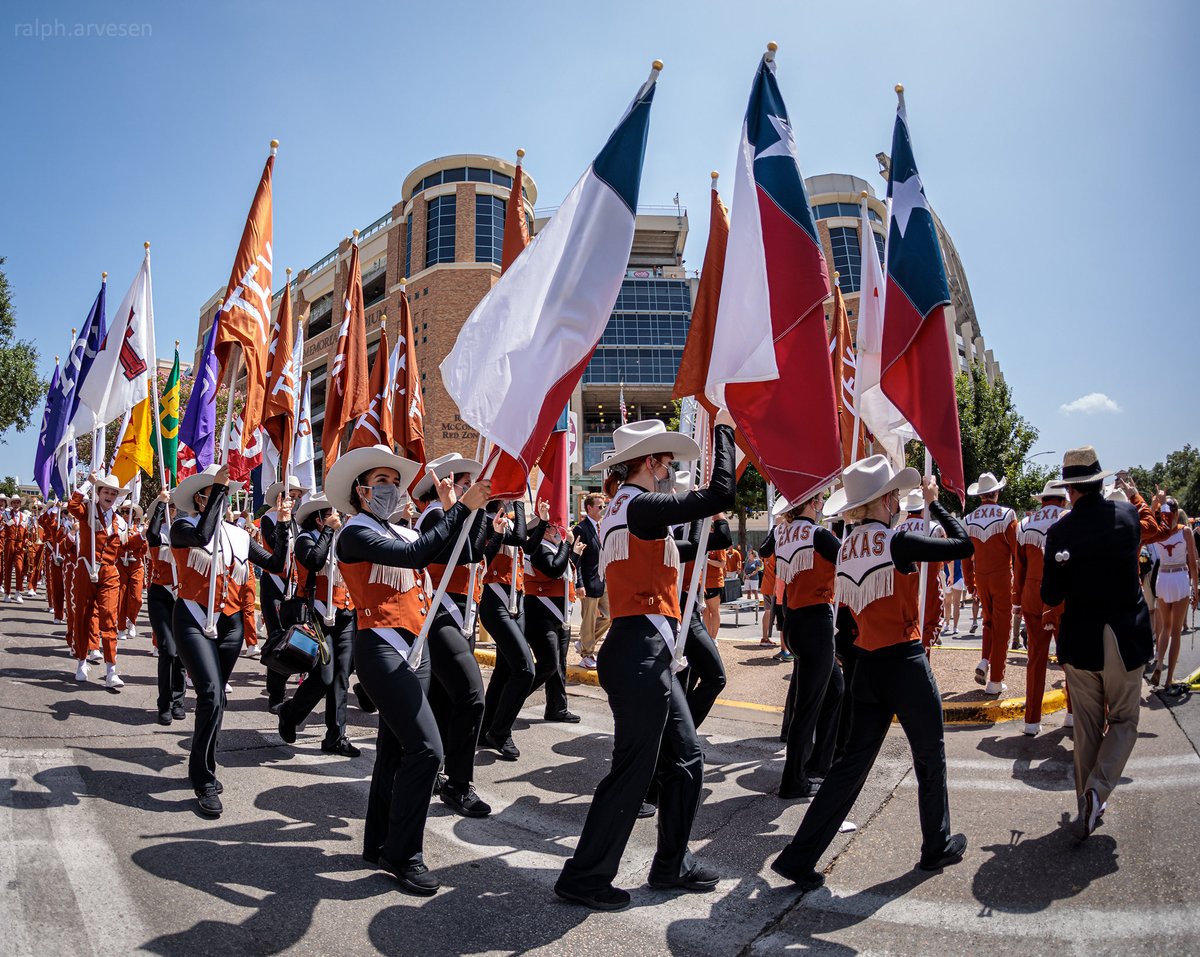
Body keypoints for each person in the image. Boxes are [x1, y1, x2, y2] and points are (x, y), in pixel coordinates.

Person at [555, 412, 736, 912]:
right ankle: (584, 876)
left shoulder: (626, 509)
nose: (671, 470)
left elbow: (680, 544)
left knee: (686, 760)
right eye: (668, 462)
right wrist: (724, 431)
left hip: (646, 649)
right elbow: (719, 493)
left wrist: (705, 538)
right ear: (650, 463)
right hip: (639, 651)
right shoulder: (638, 505)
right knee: (632, 774)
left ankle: (670, 864)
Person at [771, 456, 974, 890]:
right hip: (904, 663)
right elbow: (962, 545)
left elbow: (844, 624)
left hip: (866, 667)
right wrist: (935, 506)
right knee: (929, 753)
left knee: (848, 768)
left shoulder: (843, 549)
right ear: (884, 500)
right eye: (894, 494)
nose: (899, 499)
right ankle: (934, 843)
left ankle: (798, 856)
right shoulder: (898, 541)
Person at [328, 443, 491, 896]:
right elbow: (418, 557)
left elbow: (445, 550)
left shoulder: (398, 531)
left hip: (414, 650)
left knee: (395, 752)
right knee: (427, 751)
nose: (392, 488)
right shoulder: (354, 533)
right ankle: (404, 854)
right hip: (380, 648)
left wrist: (454, 510)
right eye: (382, 482)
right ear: (361, 492)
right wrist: (457, 509)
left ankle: (377, 843)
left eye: (395, 481)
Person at [1041, 450, 1172, 837]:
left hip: (1081, 637)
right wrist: (1135, 494)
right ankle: (1097, 792)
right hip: (1124, 633)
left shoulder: (1061, 532)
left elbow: (1050, 595)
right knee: (1125, 720)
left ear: (1071, 489)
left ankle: (1088, 799)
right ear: (1100, 482)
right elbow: (1149, 524)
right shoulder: (1128, 516)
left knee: (1086, 726)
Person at [169, 464, 292, 818]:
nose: (222, 497)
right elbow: (203, 536)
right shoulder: (183, 526)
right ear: (200, 497)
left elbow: (278, 565)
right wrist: (219, 493)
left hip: (230, 624)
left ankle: (203, 759)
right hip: (193, 618)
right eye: (214, 492)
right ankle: (204, 779)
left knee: (218, 697)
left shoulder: (239, 536)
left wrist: (283, 524)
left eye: (222, 491)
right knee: (209, 692)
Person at [412, 452, 493, 816]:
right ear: (444, 484)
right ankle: (459, 784)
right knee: (472, 696)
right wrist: (462, 510)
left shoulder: (450, 514)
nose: (469, 487)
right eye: (464, 482)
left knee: (447, 698)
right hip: (436, 614)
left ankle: (435, 772)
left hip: (454, 613)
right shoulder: (433, 515)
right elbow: (469, 553)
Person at [278, 494, 361, 757]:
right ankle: (290, 713)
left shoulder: (346, 539)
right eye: (331, 515)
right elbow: (313, 561)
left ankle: (336, 736)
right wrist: (327, 532)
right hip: (318, 614)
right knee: (324, 675)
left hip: (346, 614)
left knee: (340, 677)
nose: (339, 518)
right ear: (319, 518)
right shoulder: (306, 539)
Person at [774, 492, 842, 800]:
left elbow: (765, 549)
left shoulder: (784, 534)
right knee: (808, 706)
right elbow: (848, 560)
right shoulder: (819, 535)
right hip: (815, 621)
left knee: (835, 690)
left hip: (793, 620)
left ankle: (819, 763)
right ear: (812, 504)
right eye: (819, 501)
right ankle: (794, 779)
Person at [478, 498, 544, 760]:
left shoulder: (511, 521)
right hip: (495, 599)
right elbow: (516, 538)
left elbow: (527, 546)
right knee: (525, 669)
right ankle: (501, 730)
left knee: (505, 670)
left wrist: (545, 522)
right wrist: (519, 504)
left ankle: (486, 727)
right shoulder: (485, 519)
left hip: (516, 599)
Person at [1014, 481, 1070, 735]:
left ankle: (1031, 721)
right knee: (1070, 658)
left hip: (1032, 596)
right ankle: (1072, 713)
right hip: (1064, 598)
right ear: (1062, 500)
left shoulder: (1025, 524)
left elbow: (1020, 568)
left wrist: (1016, 600)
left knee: (1035, 659)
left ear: (1044, 499)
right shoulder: (1070, 519)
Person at [523, 504, 584, 723]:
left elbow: (564, 573)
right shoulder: (537, 549)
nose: (555, 530)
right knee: (549, 664)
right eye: (550, 527)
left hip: (559, 614)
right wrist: (567, 544)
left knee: (559, 665)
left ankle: (557, 708)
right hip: (541, 613)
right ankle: (508, 701)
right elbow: (554, 569)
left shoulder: (553, 548)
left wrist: (573, 553)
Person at [67, 474, 128, 688]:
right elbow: (72, 505)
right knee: (82, 617)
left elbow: (125, 547)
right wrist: (88, 483)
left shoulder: (120, 522)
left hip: (109, 573)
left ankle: (111, 670)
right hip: (86, 568)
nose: (109, 495)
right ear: (99, 493)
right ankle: (81, 662)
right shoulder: (87, 511)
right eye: (106, 491)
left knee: (110, 618)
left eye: (113, 493)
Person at [962, 472, 1018, 694]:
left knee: (988, 622)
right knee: (1002, 625)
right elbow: (1016, 552)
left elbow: (965, 556)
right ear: (995, 492)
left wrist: (970, 583)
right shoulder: (1007, 515)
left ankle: (985, 659)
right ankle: (995, 680)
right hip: (1002, 575)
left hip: (981, 577)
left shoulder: (969, 519)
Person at [259, 475, 310, 714]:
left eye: (298, 498)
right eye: (292, 497)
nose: (296, 501)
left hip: (297, 588)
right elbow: (273, 548)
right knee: (278, 638)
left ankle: (300, 690)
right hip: (275, 586)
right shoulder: (269, 519)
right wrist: (284, 521)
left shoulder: (300, 523)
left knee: (299, 639)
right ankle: (275, 694)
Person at [1149, 498, 1198, 691]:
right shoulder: (1185, 531)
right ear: (1176, 513)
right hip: (1179, 577)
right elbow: (1193, 563)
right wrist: (1195, 589)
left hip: (1163, 578)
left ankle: (1159, 662)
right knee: (1176, 631)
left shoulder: (1158, 533)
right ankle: (1169, 679)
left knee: (1165, 629)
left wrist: (1155, 504)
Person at [145, 491, 185, 725]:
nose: (173, 513)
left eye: (174, 509)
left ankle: (178, 701)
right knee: (168, 650)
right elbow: (151, 533)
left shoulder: (184, 534)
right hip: (161, 595)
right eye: (170, 510)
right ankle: (164, 703)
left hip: (183, 597)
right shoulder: (157, 534)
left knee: (181, 653)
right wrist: (161, 503)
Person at [896, 490, 946, 653]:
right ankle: (921, 660)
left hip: (905, 587)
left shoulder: (897, 530)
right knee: (931, 624)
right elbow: (947, 557)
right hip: (929, 585)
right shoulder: (935, 528)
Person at [572, 493, 610, 670]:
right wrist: (579, 583)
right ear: (589, 508)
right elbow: (576, 559)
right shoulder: (581, 528)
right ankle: (587, 654)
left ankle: (584, 642)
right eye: (599, 507)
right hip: (587, 583)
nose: (602, 510)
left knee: (610, 616)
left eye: (603, 506)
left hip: (603, 581)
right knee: (588, 620)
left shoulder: (603, 527)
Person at [115, 502, 147, 641]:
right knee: (121, 597)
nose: (126, 514)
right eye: (124, 512)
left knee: (137, 597)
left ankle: (132, 621)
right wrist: (125, 539)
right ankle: (121, 627)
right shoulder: (118, 527)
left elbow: (144, 549)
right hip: (122, 564)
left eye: (129, 512)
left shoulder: (140, 529)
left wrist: (136, 539)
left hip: (136, 565)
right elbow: (116, 547)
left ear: (134, 514)